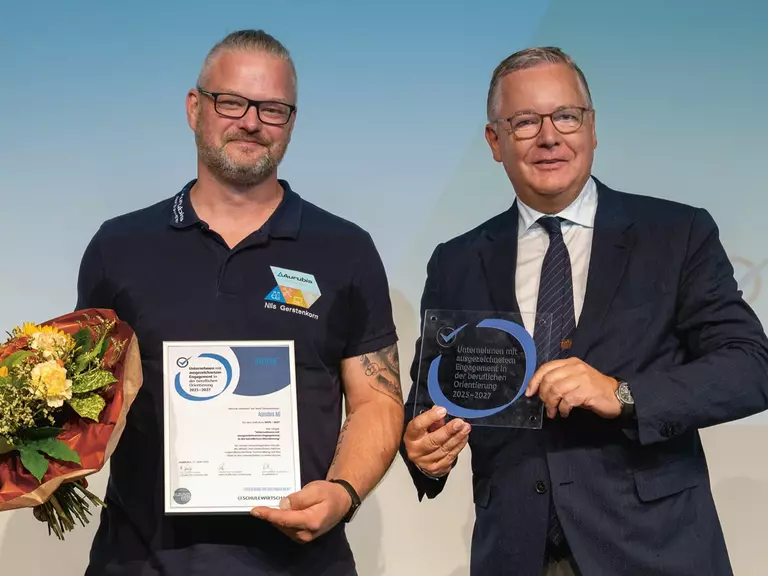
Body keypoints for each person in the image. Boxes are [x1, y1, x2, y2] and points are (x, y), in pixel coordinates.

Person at [401, 46, 768, 576]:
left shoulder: (676, 234)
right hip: (515, 553)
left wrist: (622, 394)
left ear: (592, 128)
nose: (549, 136)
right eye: (525, 121)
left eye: (566, 116)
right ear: (494, 142)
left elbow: (750, 367)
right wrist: (423, 450)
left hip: (654, 553)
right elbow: (432, 396)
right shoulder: (456, 260)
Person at [76, 29, 403, 576]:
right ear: (194, 108)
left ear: (291, 123)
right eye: (231, 102)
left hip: (299, 563)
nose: (251, 122)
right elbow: (86, 398)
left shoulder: (346, 248)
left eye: (272, 109)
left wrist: (342, 493)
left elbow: (378, 400)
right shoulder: (118, 247)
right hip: (139, 561)